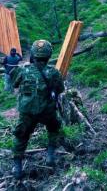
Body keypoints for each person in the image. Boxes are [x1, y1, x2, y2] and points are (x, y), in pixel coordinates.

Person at [10, 40, 65, 180]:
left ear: (33, 55)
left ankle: (17, 169)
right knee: (54, 127)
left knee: (21, 136)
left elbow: (14, 84)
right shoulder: (53, 72)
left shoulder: (23, 70)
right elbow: (60, 89)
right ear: (48, 55)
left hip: (27, 112)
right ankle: (50, 156)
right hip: (47, 111)